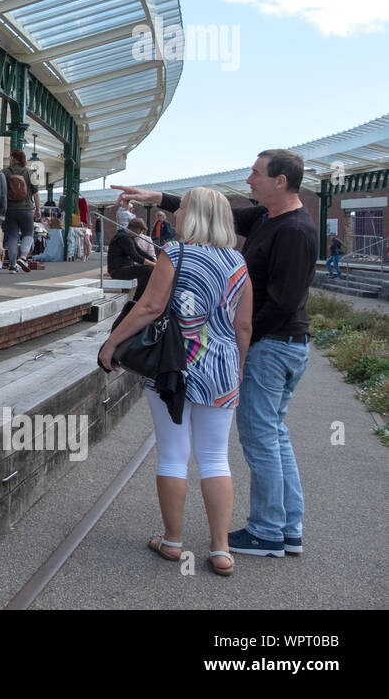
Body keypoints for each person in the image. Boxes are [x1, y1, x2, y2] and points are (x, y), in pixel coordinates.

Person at [116, 148, 319, 558]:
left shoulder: (294, 230)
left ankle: (265, 531)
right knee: (264, 439)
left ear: (280, 182)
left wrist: (227, 340)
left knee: (259, 439)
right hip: (250, 352)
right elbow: (216, 211)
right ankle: (274, 530)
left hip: (272, 346)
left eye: (256, 175)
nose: (249, 181)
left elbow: (281, 304)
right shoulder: (265, 220)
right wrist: (156, 198)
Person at [98, 187, 253, 577]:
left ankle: (173, 541)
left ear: (196, 215)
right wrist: (237, 368)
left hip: (175, 367)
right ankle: (220, 550)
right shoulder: (238, 261)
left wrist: (112, 342)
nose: (177, 214)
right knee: (217, 457)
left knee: (173, 453)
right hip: (221, 369)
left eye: (182, 208)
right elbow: (244, 325)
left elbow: (150, 307)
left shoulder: (176, 255)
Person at [2, 149, 41, 274]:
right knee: (28, 234)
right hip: (26, 209)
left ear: (13, 158)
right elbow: (36, 194)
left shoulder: (5, 173)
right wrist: (38, 209)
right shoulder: (31, 173)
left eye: (10, 157)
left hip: (10, 209)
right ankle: (23, 258)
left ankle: (12, 265)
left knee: (12, 236)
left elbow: (1, 193)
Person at [107, 218, 157, 303]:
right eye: (140, 231)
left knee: (148, 269)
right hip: (117, 271)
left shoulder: (128, 237)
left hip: (124, 268)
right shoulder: (123, 238)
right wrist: (155, 265)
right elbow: (136, 256)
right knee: (148, 270)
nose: (140, 233)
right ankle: (137, 300)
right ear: (135, 229)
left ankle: (139, 298)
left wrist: (155, 261)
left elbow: (141, 252)